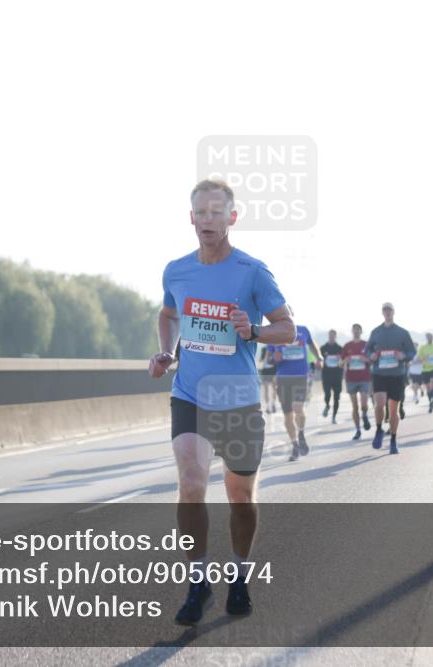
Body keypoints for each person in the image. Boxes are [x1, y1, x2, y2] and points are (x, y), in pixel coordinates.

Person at [151, 179, 295, 625]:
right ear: (190, 217)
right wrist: (168, 352)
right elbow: (169, 313)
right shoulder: (176, 270)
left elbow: (287, 328)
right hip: (190, 394)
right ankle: (197, 583)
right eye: (201, 212)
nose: (208, 219)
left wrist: (252, 331)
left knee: (240, 496)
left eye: (217, 212)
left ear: (232, 218)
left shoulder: (252, 271)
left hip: (238, 400)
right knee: (191, 482)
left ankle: (238, 574)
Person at [364, 302, 416, 454]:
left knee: (394, 411)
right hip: (379, 373)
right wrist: (371, 356)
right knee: (379, 404)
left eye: (390, 310)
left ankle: (393, 439)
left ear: (394, 312)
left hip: (397, 375)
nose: (387, 312)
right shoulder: (376, 332)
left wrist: (403, 356)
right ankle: (379, 430)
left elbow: (412, 353)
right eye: (385, 310)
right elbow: (367, 351)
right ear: (382, 313)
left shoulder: (402, 332)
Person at [269, 323, 322, 461]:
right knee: (288, 415)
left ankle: (301, 433)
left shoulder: (303, 330)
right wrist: (275, 358)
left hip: (300, 375)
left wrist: (319, 357)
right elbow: (269, 358)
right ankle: (294, 445)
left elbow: (312, 344)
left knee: (298, 408)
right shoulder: (273, 332)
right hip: (283, 378)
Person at [342, 323, 372, 440]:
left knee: (364, 403)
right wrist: (346, 360)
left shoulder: (366, 345)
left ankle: (364, 415)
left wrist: (365, 359)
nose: (356, 332)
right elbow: (340, 363)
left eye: (358, 330)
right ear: (351, 331)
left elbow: (372, 360)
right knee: (354, 406)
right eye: (354, 330)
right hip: (351, 379)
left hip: (364, 378)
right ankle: (358, 430)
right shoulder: (346, 346)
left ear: (361, 331)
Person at [319, 330, 343, 424]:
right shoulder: (323, 348)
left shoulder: (340, 348)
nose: (332, 337)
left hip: (337, 375)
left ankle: (334, 416)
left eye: (333, 336)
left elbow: (343, 362)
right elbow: (319, 360)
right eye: (330, 335)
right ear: (328, 336)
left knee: (337, 397)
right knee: (327, 394)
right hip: (326, 375)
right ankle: (327, 405)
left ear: (335, 336)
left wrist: (340, 359)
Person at [417, 333, 433, 413]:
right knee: (428, 388)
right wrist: (424, 358)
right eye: (428, 337)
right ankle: (431, 401)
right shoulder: (422, 348)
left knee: (432, 384)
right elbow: (419, 359)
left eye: (431, 337)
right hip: (425, 370)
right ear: (426, 338)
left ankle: (432, 401)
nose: (430, 338)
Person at [258, 344, 278, 413]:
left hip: (273, 370)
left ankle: (272, 405)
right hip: (266, 371)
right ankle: (268, 406)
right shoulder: (264, 349)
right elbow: (261, 360)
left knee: (273, 389)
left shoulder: (275, 347)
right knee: (267, 389)